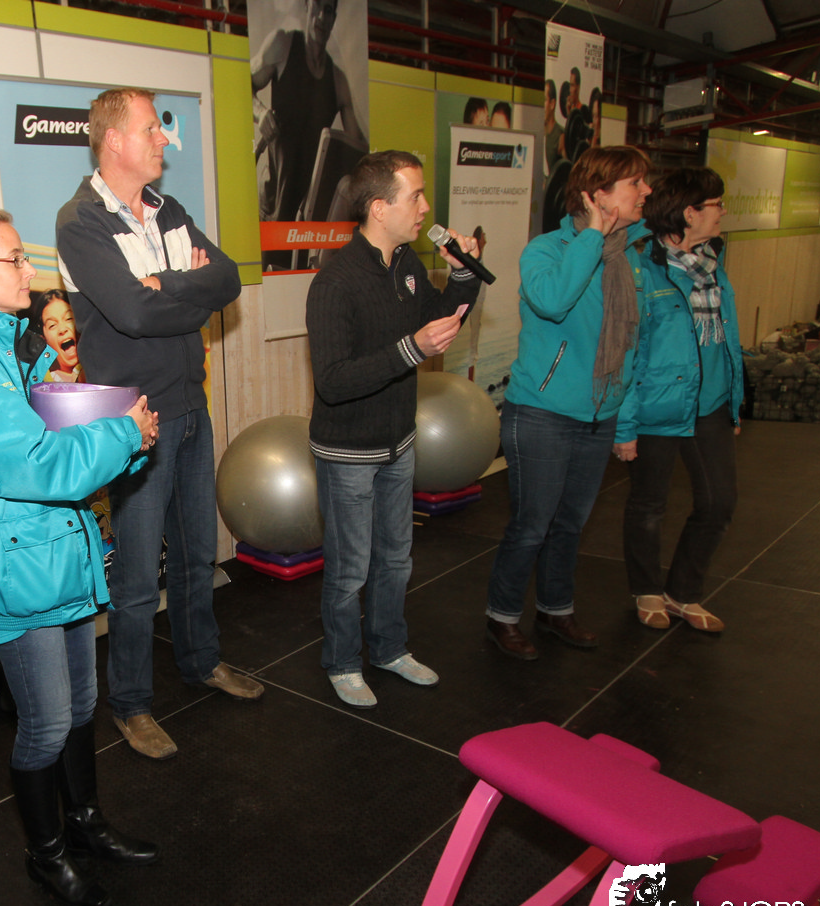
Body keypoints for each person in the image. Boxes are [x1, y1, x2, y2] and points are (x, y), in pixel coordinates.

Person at [0, 209, 161, 906]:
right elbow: (35, 464)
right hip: (13, 568)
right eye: (14, 259)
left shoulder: (6, 347)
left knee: (80, 707)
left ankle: (85, 824)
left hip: (49, 551)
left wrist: (119, 437)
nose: (29, 271)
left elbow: (49, 452)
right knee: (46, 723)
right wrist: (122, 435)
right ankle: (45, 855)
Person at [56, 87, 260, 761]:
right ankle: (131, 703)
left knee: (198, 554)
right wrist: (185, 291)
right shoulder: (80, 221)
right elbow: (131, 314)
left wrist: (164, 283)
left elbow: (226, 281)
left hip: (191, 405)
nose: (163, 140)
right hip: (134, 419)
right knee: (139, 576)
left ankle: (202, 661)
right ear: (113, 139)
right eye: (150, 129)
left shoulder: (168, 210)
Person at [305, 151, 480, 707]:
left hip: (398, 441)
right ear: (379, 208)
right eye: (415, 196)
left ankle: (388, 648)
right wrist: (411, 349)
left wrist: (463, 275)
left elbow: (438, 325)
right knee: (350, 569)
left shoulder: (405, 262)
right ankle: (342, 662)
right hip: (347, 452)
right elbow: (333, 381)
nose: (426, 207)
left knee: (396, 559)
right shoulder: (335, 281)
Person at [484, 145, 652, 661]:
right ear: (597, 194)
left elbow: (633, 346)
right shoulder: (546, 250)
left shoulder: (632, 257)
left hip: (600, 414)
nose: (646, 191)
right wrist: (593, 237)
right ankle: (502, 616)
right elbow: (553, 301)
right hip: (542, 413)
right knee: (531, 526)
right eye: (635, 183)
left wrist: (625, 420)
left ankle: (556, 609)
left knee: (570, 524)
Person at [616, 168, 741, 633]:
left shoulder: (714, 263)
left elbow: (728, 339)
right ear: (690, 213)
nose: (722, 212)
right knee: (649, 504)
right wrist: (625, 426)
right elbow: (628, 352)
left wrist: (734, 401)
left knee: (719, 503)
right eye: (716, 204)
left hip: (710, 405)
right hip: (658, 405)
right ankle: (646, 589)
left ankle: (683, 592)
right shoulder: (642, 267)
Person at [252, 0, 369, 225]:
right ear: (307, 6)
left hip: (308, 213)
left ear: (334, 19)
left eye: (329, 11)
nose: (322, 17)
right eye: (318, 6)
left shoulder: (338, 80)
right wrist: (261, 112)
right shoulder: (281, 44)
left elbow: (358, 147)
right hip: (273, 204)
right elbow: (243, 86)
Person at [32, 287, 82, 382]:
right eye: (52, 325)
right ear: (44, 338)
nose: (62, 329)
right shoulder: (45, 382)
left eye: (69, 318)